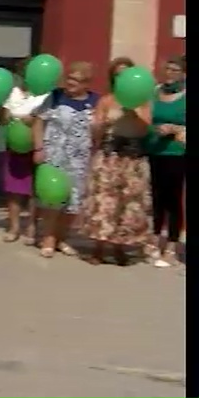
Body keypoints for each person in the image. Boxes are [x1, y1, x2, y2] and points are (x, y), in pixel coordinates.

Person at [78, 58, 152, 265]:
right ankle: (99, 248)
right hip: (109, 155)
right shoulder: (106, 100)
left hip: (132, 158)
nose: (122, 78)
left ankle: (120, 247)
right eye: (118, 74)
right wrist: (105, 122)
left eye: (125, 74)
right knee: (104, 202)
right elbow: (95, 131)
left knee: (127, 203)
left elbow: (147, 128)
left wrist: (134, 114)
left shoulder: (142, 102)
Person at [31, 62, 98, 258]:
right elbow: (38, 122)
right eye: (69, 78)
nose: (70, 83)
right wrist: (38, 148)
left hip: (80, 159)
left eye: (76, 80)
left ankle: (62, 238)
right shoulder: (55, 97)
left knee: (73, 202)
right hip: (54, 155)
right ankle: (48, 238)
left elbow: (99, 130)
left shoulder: (95, 101)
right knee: (53, 199)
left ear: (86, 84)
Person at [0, 58, 48, 244]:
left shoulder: (44, 96)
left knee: (35, 190)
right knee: (14, 190)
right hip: (14, 147)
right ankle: (14, 226)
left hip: (37, 146)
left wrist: (33, 120)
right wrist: (3, 109)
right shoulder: (13, 93)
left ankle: (32, 226)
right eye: (25, 73)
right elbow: (2, 121)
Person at [145, 55, 186, 267]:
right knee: (156, 197)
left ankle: (171, 243)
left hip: (177, 153)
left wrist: (175, 129)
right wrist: (154, 129)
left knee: (173, 198)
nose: (170, 74)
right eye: (168, 69)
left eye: (175, 70)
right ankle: (154, 238)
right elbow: (145, 118)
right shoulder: (154, 92)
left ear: (183, 74)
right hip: (154, 150)